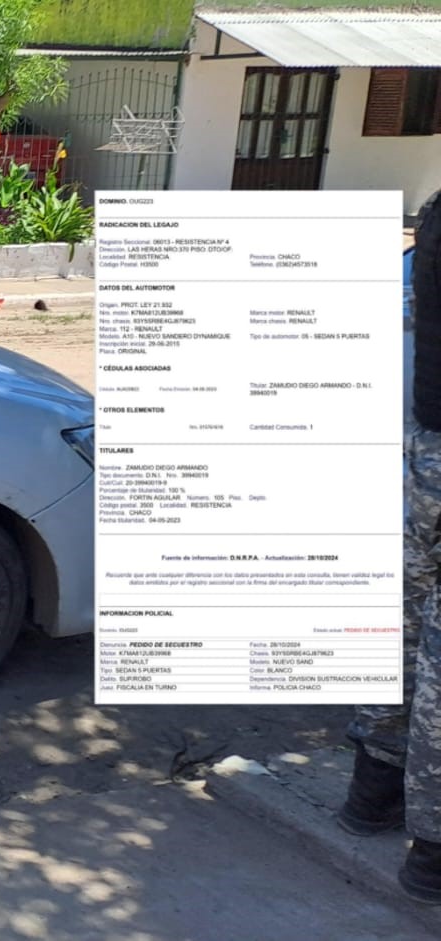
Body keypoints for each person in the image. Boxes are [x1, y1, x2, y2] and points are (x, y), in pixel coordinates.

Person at [339, 190, 440, 904]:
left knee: (401, 624)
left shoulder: (434, 221)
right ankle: (432, 852)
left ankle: (371, 792)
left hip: (422, 453)